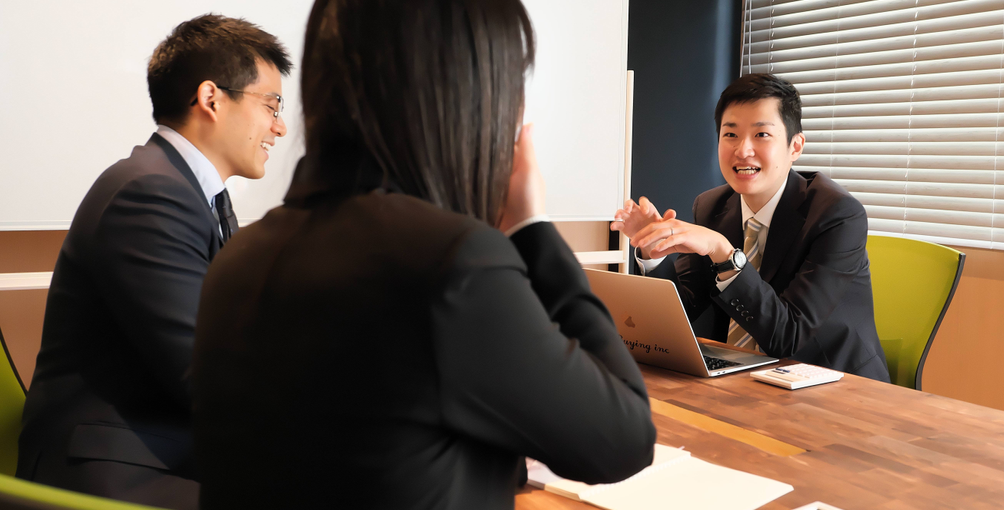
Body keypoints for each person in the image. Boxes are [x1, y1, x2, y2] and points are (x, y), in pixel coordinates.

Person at [190, 0, 657, 508]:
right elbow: (624, 438)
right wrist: (532, 227)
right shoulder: (449, 264)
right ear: (471, 96)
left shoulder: (242, 257)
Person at [17, 14, 291, 509]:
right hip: (117, 472)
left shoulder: (187, 192)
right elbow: (204, 372)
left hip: (164, 455)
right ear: (211, 98)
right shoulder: (151, 193)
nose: (280, 125)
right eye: (271, 104)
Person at [612, 73, 890, 382]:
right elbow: (684, 310)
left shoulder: (838, 215)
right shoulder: (711, 207)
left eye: (761, 134)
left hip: (835, 384)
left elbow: (788, 337)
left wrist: (724, 254)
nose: (743, 150)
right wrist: (654, 252)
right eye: (730, 134)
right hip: (745, 378)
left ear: (795, 146)